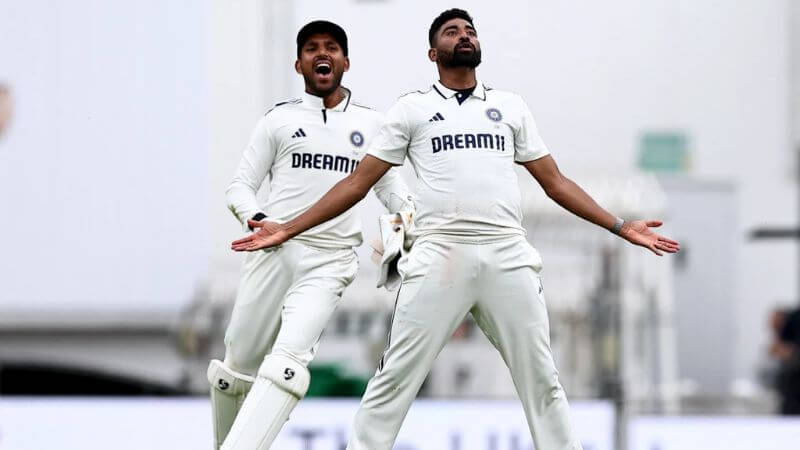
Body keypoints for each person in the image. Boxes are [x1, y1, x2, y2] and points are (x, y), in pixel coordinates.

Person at [231, 9, 680, 450]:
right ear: (433, 52)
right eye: (451, 32)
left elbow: (555, 183)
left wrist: (621, 226)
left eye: (470, 31)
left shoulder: (509, 107)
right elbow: (357, 182)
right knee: (394, 378)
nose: (464, 36)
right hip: (440, 255)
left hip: (507, 254)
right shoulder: (413, 109)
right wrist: (287, 228)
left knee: (543, 378)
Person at [209, 20, 413, 450]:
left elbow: (398, 198)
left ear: (345, 62)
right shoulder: (278, 121)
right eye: (313, 48)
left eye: (333, 48)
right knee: (234, 374)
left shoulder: (373, 125)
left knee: (288, 367)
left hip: (331, 258)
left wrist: (399, 255)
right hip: (273, 250)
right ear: (299, 63)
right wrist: (259, 218)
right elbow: (238, 188)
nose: (323, 54)